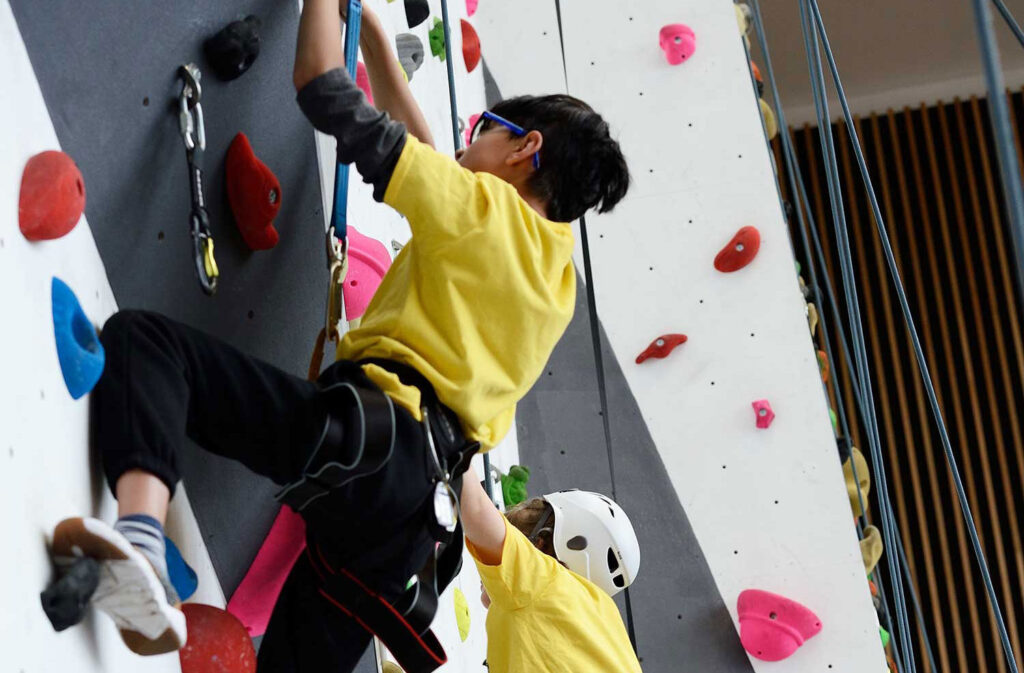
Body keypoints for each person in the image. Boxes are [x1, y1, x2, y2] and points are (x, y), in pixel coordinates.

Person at [48, 0, 630, 669]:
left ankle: (141, 541)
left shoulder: (482, 213)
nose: (471, 138)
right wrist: (381, 49)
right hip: (409, 531)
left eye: (487, 127)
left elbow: (321, 85)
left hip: (372, 446)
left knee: (149, 348)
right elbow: (448, 172)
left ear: (527, 148)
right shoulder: (553, 283)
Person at [460, 465, 643, 672]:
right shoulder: (605, 619)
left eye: (515, 537)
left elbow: (474, 507)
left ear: (540, 543)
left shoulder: (544, 582)